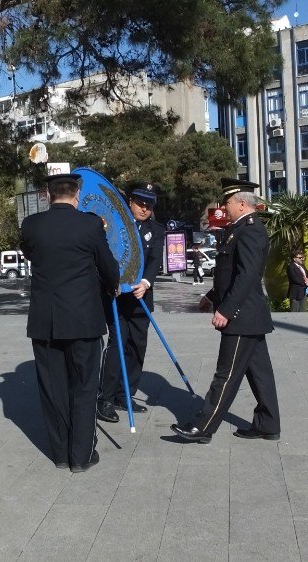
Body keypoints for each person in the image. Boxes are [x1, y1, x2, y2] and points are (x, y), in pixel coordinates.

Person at [21, 173, 120, 472]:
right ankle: (81, 455)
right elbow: (108, 267)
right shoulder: (90, 224)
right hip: (82, 318)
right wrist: (111, 284)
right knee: (84, 385)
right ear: (76, 194)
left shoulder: (31, 225)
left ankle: (61, 454)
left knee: (53, 389)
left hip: (45, 320)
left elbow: (32, 255)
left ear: (48, 196)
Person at [171, 178, 280, 443]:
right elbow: (229, 274)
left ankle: (202, 427)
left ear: (242, 203)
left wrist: (227, 310)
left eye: (227, 202)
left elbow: (248, 275)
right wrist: (211, 296)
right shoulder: (239, 228)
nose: (223, 207)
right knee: (260, 374)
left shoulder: (251, 230)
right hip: (249, 315)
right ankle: (268, 424)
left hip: (242, 315)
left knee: (226, 375)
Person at [97, 182, 165, 424]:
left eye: (149, 205)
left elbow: (155, 259)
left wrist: (146, 281)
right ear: (130, 202)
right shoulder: (114, 225)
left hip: (140, 296)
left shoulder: (156, 230)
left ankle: (125, 395)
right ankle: (104, 398)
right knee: (117, 344)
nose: (144, 209)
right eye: (140, 203)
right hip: (116, 296)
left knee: (138, 345)